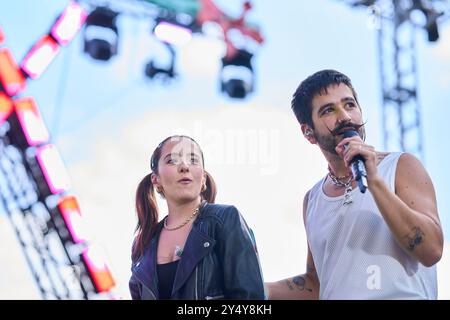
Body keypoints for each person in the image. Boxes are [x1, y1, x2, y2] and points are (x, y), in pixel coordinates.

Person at [266, 69, 443, 299]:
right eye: (329, 110)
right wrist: (255, 287)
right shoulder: (313, 200)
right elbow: (317, 284)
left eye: (349, 105)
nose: (345, 117)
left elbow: (431, 250)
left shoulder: (401, 166)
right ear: (308, 132)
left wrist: (375, 182)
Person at [129, 135, 265, 300]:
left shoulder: (225, 220)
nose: (185, 166)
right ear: (155, 179)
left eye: (193, 160)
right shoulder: (143, 243)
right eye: (172, 161)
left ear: (203, 179)